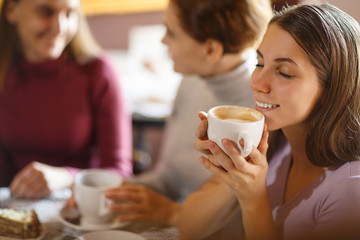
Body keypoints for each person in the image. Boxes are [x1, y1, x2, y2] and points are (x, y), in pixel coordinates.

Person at [178, 3, 360, 240]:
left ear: (332, 88)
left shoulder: (351, 191)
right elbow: (189, 228)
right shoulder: (273, 146)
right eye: (259, 63)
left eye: (284, 72)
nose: (257, 83)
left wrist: (253, 199)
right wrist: (232, 171)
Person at [104, 0, 273, 226]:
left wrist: (173, 212)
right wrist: (113, 192)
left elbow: (240, 218)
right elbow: (168, 180)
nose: (163, 40)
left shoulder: (261, 111)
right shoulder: (192, 81)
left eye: (171, 33)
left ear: (211, 50)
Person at [0, 0, 133, 199]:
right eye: (45, 12)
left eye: (70, 14)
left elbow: (119, 172)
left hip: (78, 207)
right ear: (11, 10)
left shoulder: (98, 72)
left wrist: (67, 177)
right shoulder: (4, 72)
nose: (60, 27)